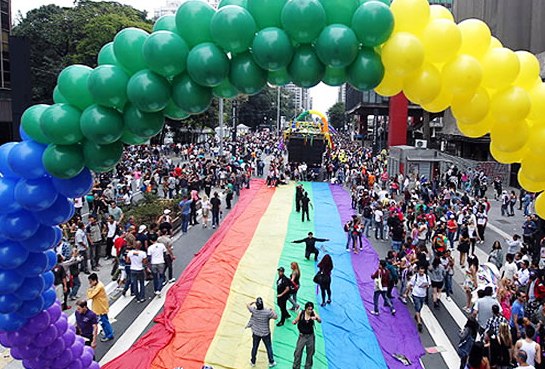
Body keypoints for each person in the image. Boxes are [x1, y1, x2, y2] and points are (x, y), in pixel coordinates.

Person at [246, 297, 277, 368]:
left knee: (255, 347)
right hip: (265, 333)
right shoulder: (267, 312)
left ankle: (253, 361)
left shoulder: (253, 310)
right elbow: (275, 317)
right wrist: (272, 310)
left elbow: (247, 305)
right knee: (268, 347)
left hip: (256, 333)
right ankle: (271, 361)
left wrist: (253, 302)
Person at [292, 302, 322, 369]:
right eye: (308, 309)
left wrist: (316, 318)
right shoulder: (301, 313)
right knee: (298, 352)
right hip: (302, 336)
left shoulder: (313, 313)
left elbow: (320, 320)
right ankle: (296, 366)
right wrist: (294, 321)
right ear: (305, 309)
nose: (310, 311)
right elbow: (297, 319)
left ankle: (308, 367)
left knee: (310, 353)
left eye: (311, 309)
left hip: (310, 336)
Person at [87, 273, 114, 342]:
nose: (90, 283)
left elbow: (90, 296)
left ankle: (109, 335)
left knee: (104, 322)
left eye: (91, 281)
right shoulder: (98, 285)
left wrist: (90, 289)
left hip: (100, 308)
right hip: (99, 307)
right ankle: (107, 333)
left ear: (95, 280)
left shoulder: (99, 287)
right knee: (103, 322)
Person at [404, 265, 429, 333]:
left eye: (422, 271)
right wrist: (406, 293)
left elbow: (429, 284)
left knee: (420, 307)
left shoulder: (426, 277)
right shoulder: (415, 277)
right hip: (416, 294)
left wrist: (426, 285)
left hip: (423, 294)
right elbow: (410, 285)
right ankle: (419, 322)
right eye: (420, 271)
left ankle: (417, 315)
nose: (421, 272)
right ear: (418, 271)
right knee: (417, 307)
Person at [147, 233, 172, 298]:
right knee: (161, 276)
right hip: (161, 262)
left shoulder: (150, 248)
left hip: (153, 263)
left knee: (155, 277)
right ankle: (159, 289)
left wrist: (148, 266)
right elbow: (164, 253)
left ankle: (155, 289)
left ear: (150, 241)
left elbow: (149, 258)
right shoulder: (162, 245)